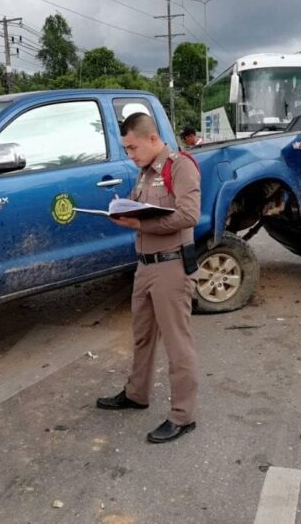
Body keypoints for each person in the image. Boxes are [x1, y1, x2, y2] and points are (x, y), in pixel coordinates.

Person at [97, 113, 201, 444]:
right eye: (126, 149)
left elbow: (189, 216)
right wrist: (121, 211)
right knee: (142, 336)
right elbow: (141, 210)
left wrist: (140, 225)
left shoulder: (179, 166)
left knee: (177, 344)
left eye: (132, 147)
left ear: (152, 139)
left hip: (171, 267)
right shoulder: (144, 174)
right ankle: (136, 394)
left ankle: (183, 416)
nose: (130, 155)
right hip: (144, 267)